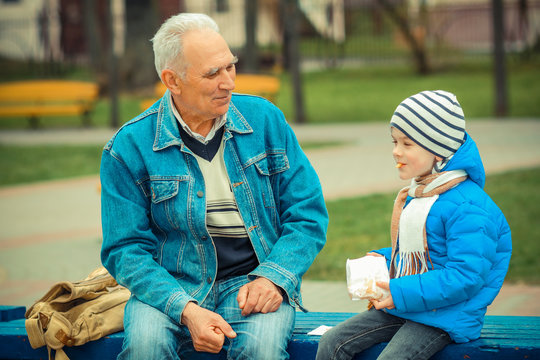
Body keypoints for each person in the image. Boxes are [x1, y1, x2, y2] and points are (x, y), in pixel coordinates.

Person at [100, 13, 328, 360]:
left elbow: (307, 214)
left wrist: (274, 278)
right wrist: (186, 309)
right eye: (212, 73)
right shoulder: (128, 146)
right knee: (145, 348)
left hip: (254, 281)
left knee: (263, 351)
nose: (229, 83)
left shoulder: (266, 120)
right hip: (170, 286)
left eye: (230, 67)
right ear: (172, 81)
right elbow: (125, 250)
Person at [316, 90, 511, 360]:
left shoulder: (469, 208)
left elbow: (466, 276)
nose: (396, 151)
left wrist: (397, 291)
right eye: (395, 141)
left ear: (439, 150)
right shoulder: (422, 193)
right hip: (410, 303)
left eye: (407, 144)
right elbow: (423, 253)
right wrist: (384, 259)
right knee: (331, 342)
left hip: (447, 315)